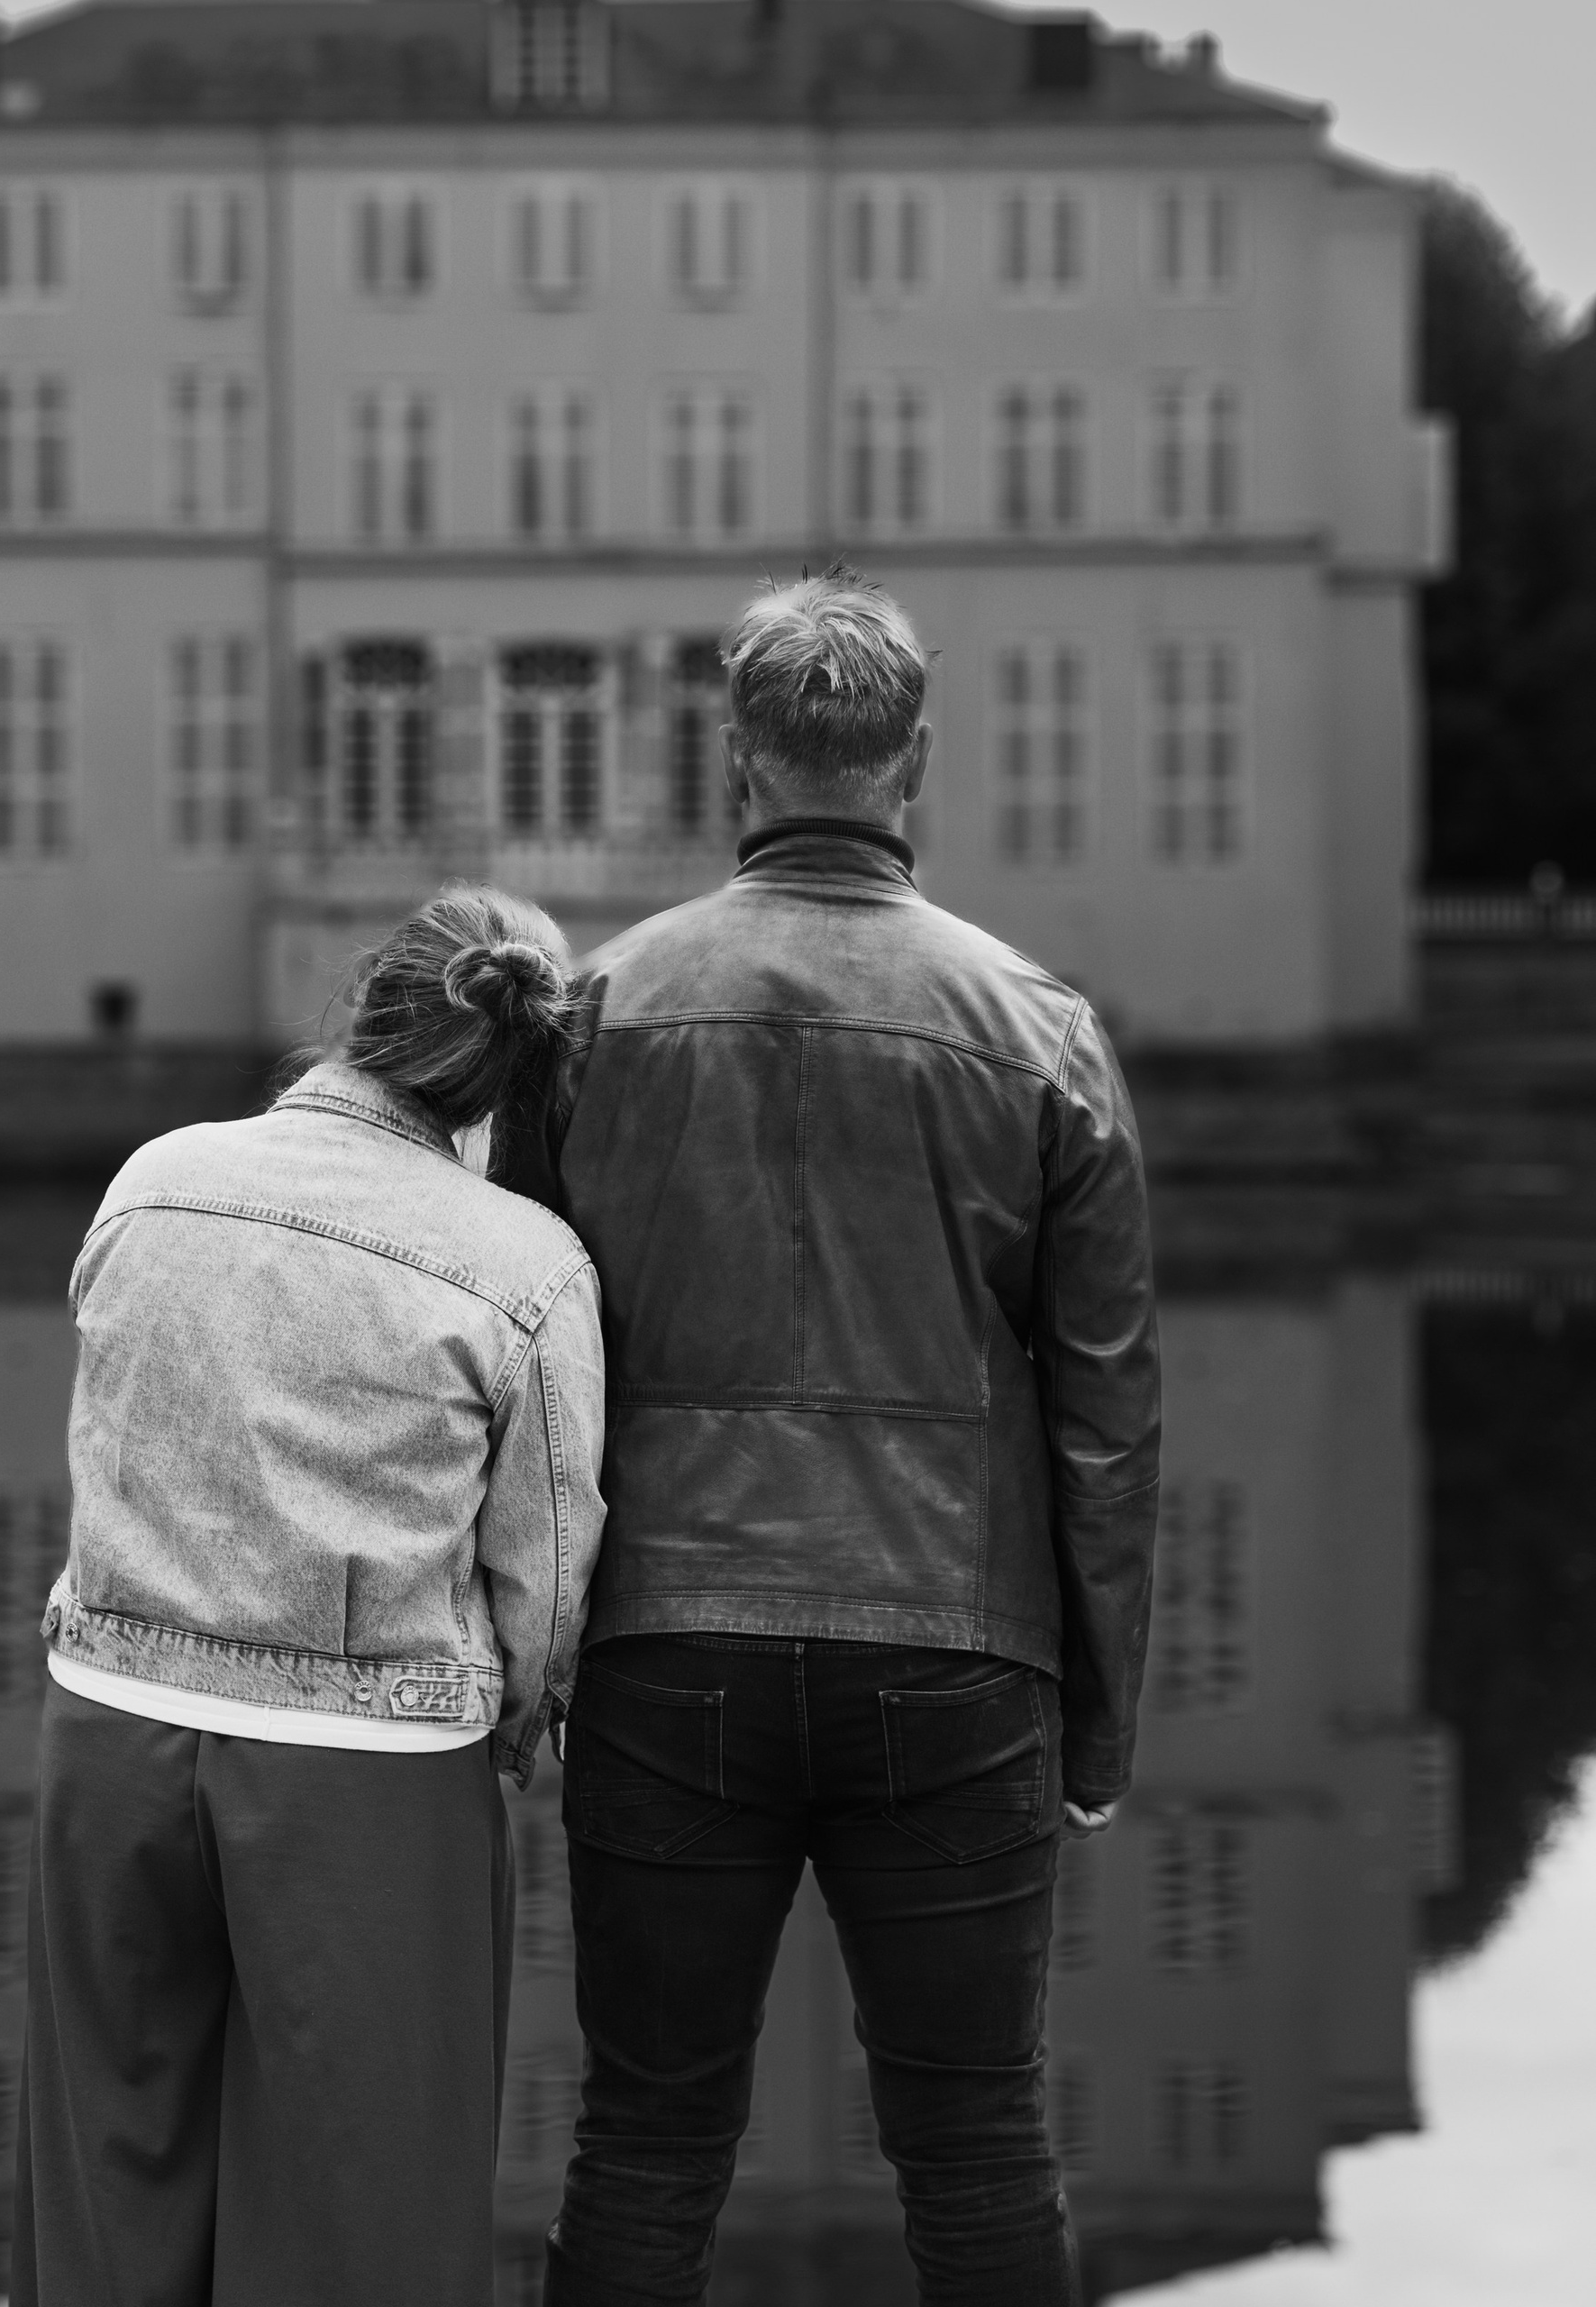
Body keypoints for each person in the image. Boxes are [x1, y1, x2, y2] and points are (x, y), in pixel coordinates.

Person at [529, 571, 1162, 2306]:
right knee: (979, 2150)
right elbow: (1107, 1417)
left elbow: (521, 1372)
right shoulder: (1040, 1032)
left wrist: (523, 1664)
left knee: (644, 2144)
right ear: (916, 763)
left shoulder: (595, 1013)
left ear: (736, 760)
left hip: (666, 1644)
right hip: (959, 1650)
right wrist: (1100, 1719)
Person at [14, 885, 607, 2307]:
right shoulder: (524, 1263)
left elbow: (111, 1427)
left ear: (363, 1006)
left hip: (110, 1729)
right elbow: (545, 1582)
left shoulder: (153, 1178)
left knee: (108, 2189)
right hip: (369, 1772)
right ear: (519, 1074)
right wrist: (513, 1725)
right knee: (361, 2223)